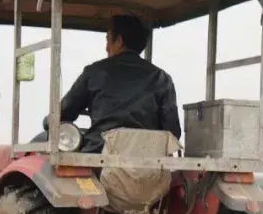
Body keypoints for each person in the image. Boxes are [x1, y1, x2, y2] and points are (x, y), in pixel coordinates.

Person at [32, 14, 181, 153]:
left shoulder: (94, 73)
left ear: (120, 41)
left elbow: (64, 111)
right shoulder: (162, 78)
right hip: (149, 166)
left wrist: (48, 121)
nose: (106, 47)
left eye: (108, 40)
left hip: (99, 159)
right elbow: (173, 131)